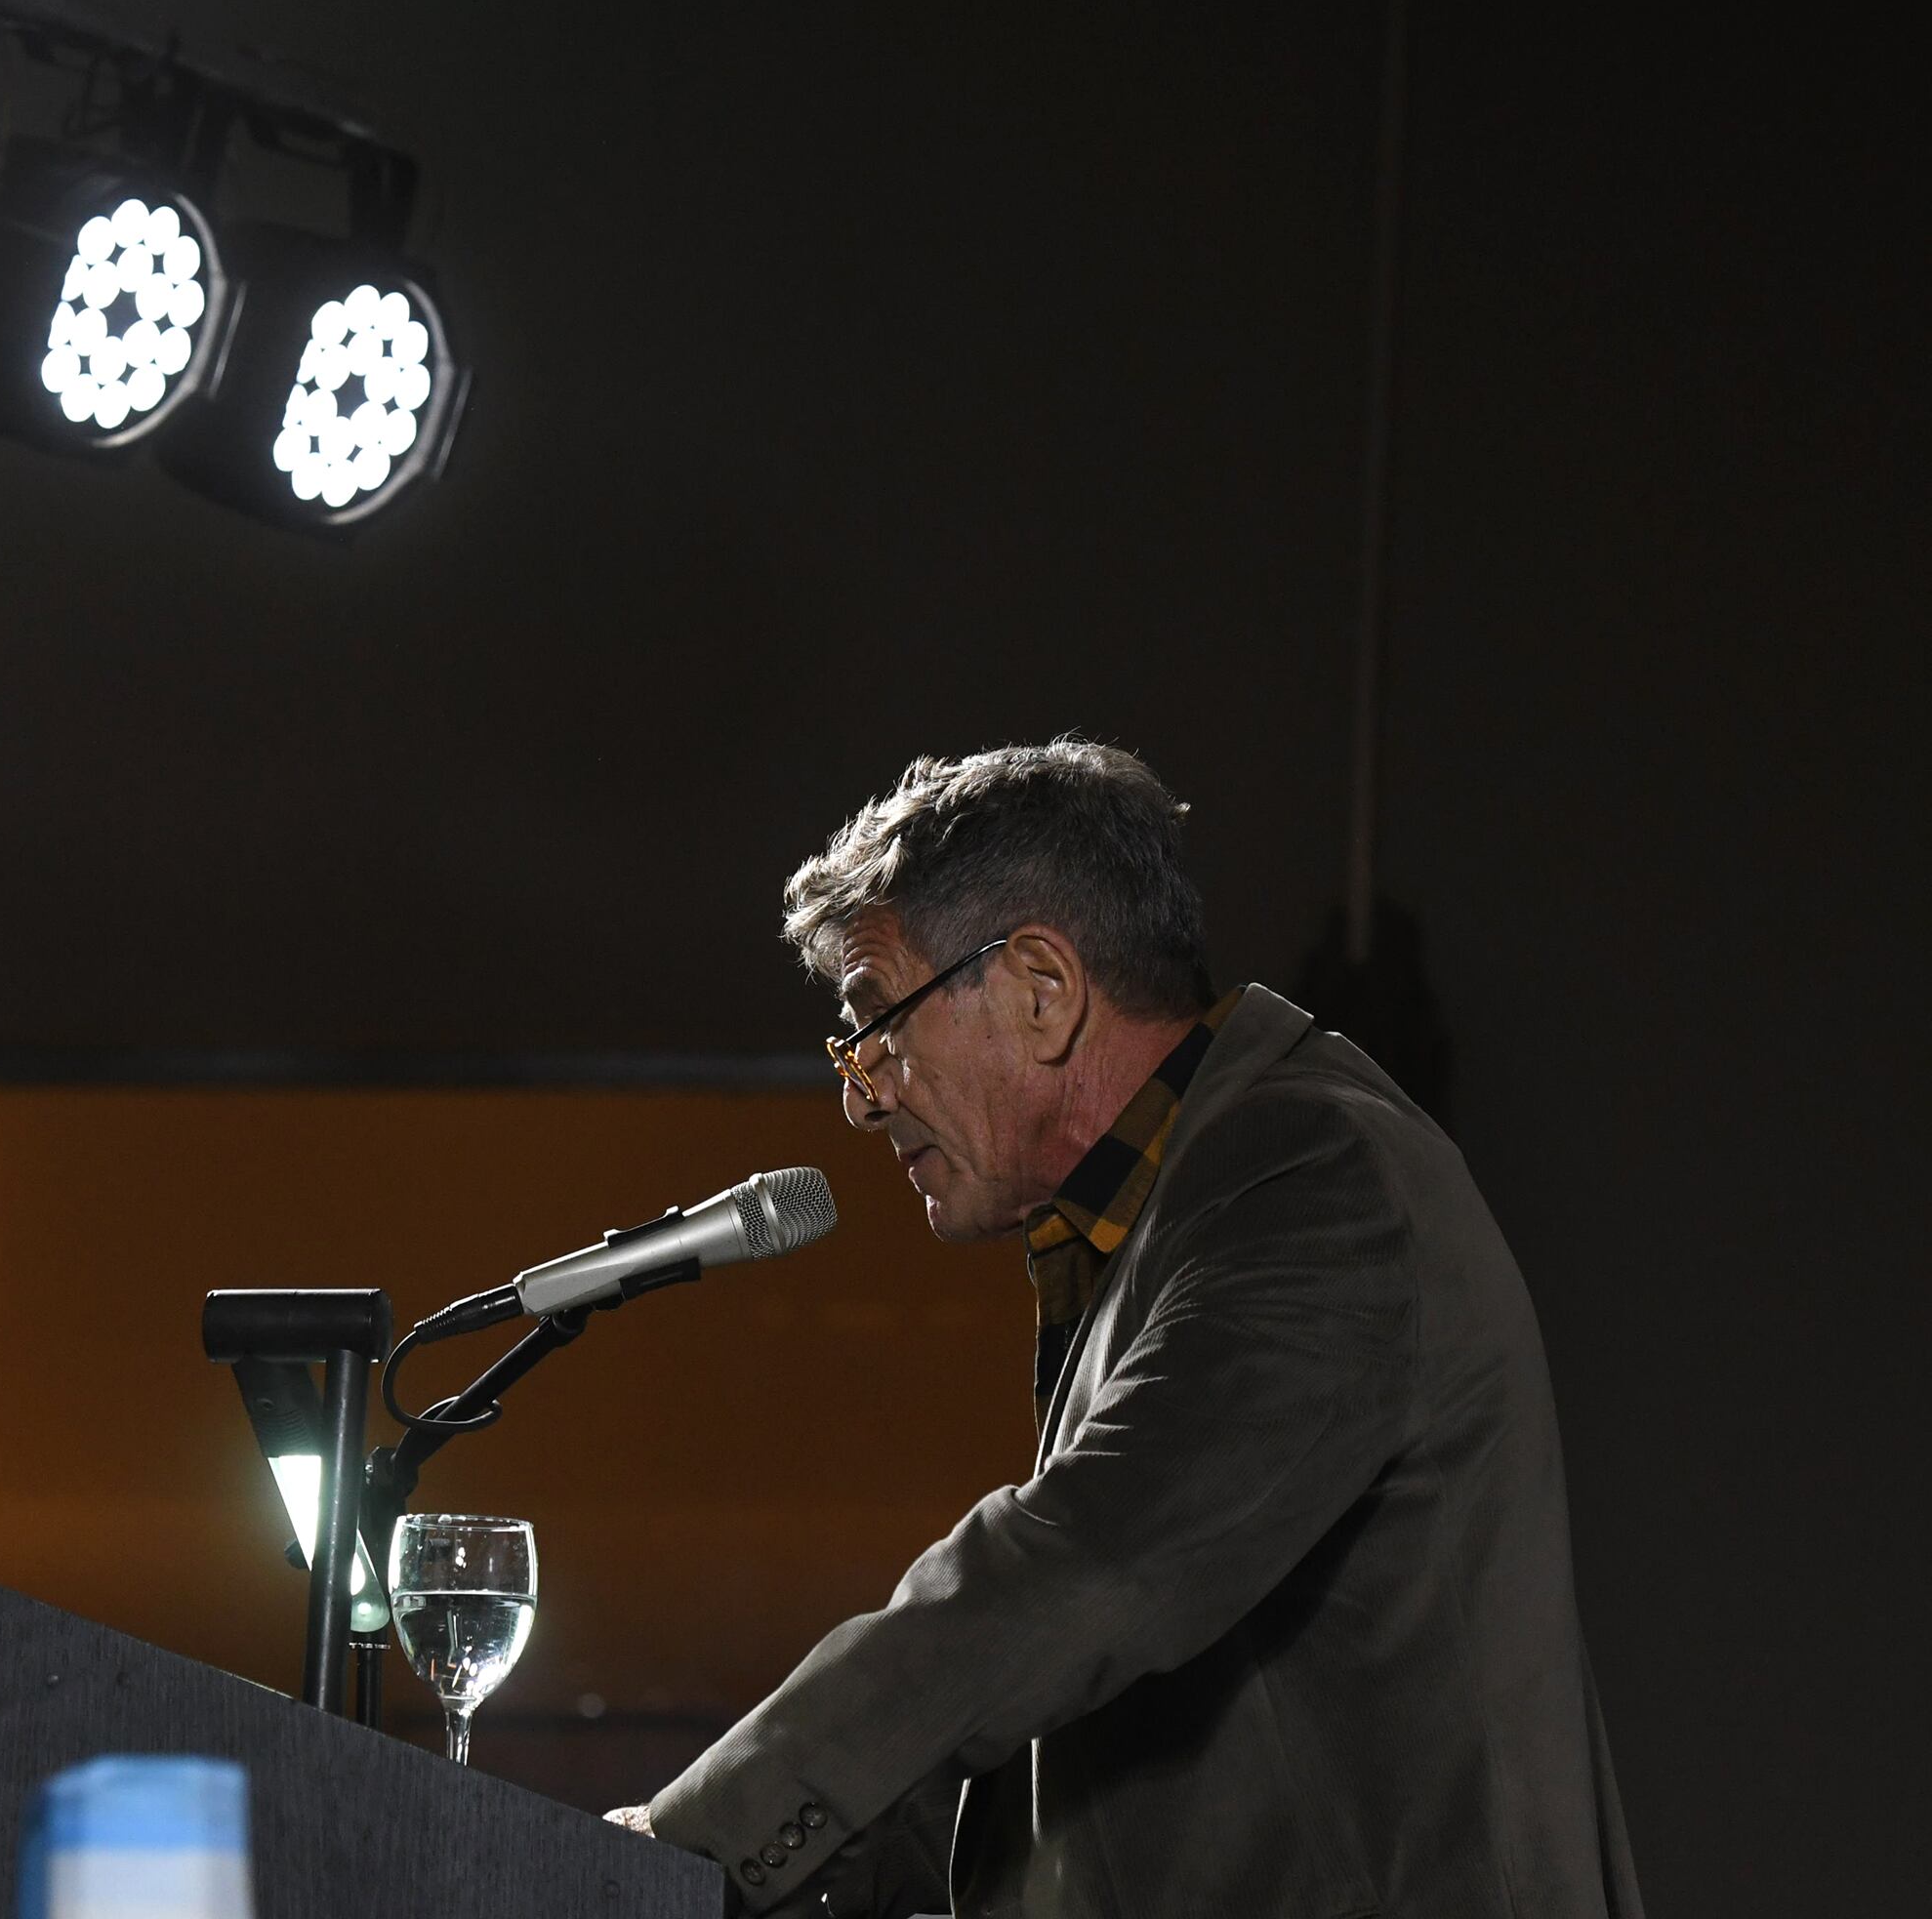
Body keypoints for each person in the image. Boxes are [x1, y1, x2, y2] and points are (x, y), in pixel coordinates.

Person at [606, 741, 1641, 1918]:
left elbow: (1080, 1568)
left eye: (874, 1021)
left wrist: (689, 1845)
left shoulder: (1315, 1175)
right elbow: (1099, 1757)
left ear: (1043, 987)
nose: (860, 1093)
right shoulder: (1154, 1212)